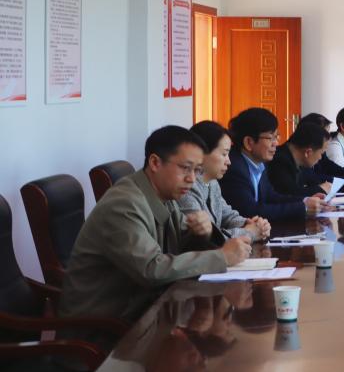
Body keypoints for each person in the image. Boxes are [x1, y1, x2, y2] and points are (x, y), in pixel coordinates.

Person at [59, 126, 250, 324]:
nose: (192, 179)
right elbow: (151, 269)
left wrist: (203, 232)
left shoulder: (165, 194)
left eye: (197, 170)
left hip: (146, 311)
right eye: (186, 168)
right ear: (155, 163)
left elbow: (180, 240)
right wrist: (221, 257)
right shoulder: (124, 204)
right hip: (106, 326)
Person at [219, 107, 323, 222]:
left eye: (276, 137)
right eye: (270, 138)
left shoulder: (260, 164)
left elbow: (271, 196)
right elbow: (250, 212)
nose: (276, 143)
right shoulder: (234, 168)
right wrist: (303, 208)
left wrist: (305, 200)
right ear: (249, 142)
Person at [179, 120, 272, 245]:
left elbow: (227, 215)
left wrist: (251, 224)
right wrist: (249, 232)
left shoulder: (212, 183)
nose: (229, 161)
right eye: (224, 154)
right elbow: (209, 240)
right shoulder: (186, 188)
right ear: (201, 153)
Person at [299, 112, 344, 188]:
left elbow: (335, 169)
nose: (329, 138)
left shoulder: (319, 152)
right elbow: (314, 179)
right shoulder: (301, 156)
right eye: (326, 135)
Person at [266, 121, 334, 197]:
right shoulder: (279, 161)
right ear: (308, 152)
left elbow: (312, 180)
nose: (320, 158)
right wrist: (320, 189)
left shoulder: (300, 161)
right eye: (321, 153)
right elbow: (289, 195)